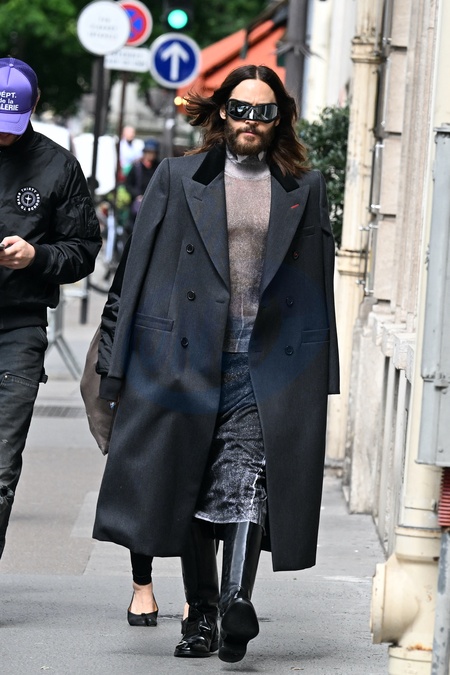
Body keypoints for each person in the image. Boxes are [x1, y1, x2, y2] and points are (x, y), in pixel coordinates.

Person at [92, 64, 339, 662]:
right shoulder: (179, 176)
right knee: (194, 482)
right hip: (184, 356)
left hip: (266, 360)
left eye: (264, 112)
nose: (251, 121)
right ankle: (200, 614)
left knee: (247, 479)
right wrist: (115, 363)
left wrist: (321, 370)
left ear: (279, 120)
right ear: (222, 111)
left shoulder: (304, 187)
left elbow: (316, 284)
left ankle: (234, 603)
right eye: (241, 109)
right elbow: (134, 269)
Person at [0, 56, 101, 559]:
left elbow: (84, 249)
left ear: (34, 106)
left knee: (1, 464)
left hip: (19, 327)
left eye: (12, 123)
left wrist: (36, 256)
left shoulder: (59, 166)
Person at [124, 138, 160, 234]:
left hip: (153, 206)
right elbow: (128, 184)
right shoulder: (137, 167)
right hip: (137, 208)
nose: (150, 155)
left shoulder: (159, 167)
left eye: (152, 152)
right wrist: (137, 195)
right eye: (148, 152)